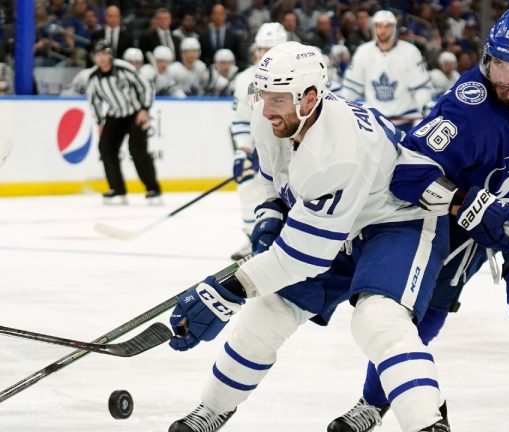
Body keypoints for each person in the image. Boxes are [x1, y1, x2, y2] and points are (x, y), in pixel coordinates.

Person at [167, 42, 451, 432]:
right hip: (337, 222)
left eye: (278, 99)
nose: (267, 109)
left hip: (396, 221)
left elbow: (303, 258)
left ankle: (426, 424)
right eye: (263, 96)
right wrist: (268, 220)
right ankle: (213, 409)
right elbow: (272, 180)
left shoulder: (335, 151)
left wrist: (225, 290)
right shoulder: (272, 116)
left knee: (378, 319)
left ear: (310, 98)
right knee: (267, 313)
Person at [327, 8, 509, 432]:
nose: (503, 77)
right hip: (469, 212)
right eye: (496, 63)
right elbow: (409, 172)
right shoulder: (466, 106)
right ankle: (374, 402)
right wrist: (463, 202)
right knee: (422, 312)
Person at [228, 22, 288, 261]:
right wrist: (244, 151)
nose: (265, 55)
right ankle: (254, 236)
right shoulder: (245, 79)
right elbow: (241, 121)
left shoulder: (298, 75)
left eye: (270, 49)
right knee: (248, 183)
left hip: (292, 149)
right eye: (262, 49)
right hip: (260, 150)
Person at [86, 40, 161, 204]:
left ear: (110, 55)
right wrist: (100, 122)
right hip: (115, 115)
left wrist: (144, 109)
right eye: (99, 55)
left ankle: (153, 188)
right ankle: (117, 189)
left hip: (135, 113)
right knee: (105, 148)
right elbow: (94, 101)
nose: (102, 58)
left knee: (137, 149)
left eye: (105, 54)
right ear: (94, 58)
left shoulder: (123, 68)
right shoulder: (93, 78)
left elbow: (146, 86)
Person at [338, 10, 433, 133]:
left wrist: (425, 113)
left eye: (387, 26)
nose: (383, 30)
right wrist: (340, 110)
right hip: (375, 122)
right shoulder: (362, 52)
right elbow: (351, 88)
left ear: (394, 28)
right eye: (379, 26)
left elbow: (422, 88)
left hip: (406, 120)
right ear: (373, 28)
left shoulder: (411, 52)